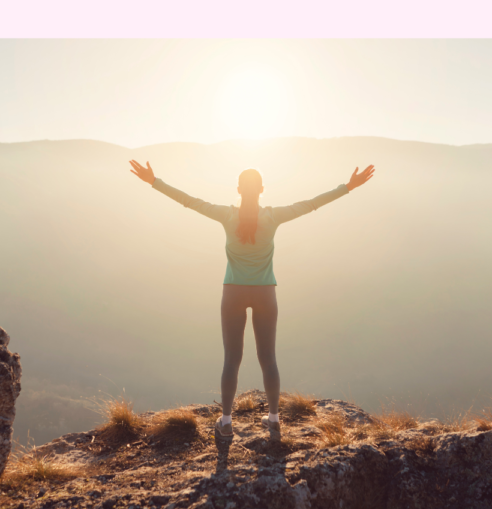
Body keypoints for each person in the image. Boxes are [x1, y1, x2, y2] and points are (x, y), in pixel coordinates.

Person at [129, 158, 375, 443]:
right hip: (265, 293)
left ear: (237, 189)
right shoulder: (272, 216)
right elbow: (311, 204)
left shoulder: (226, 215)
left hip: (232, 291)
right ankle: (273, 420)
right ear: (262, 190)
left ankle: (226, 422)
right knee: (268, 358)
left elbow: (189, 201)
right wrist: (348, 187)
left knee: (231, 360)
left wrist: (154, 181)